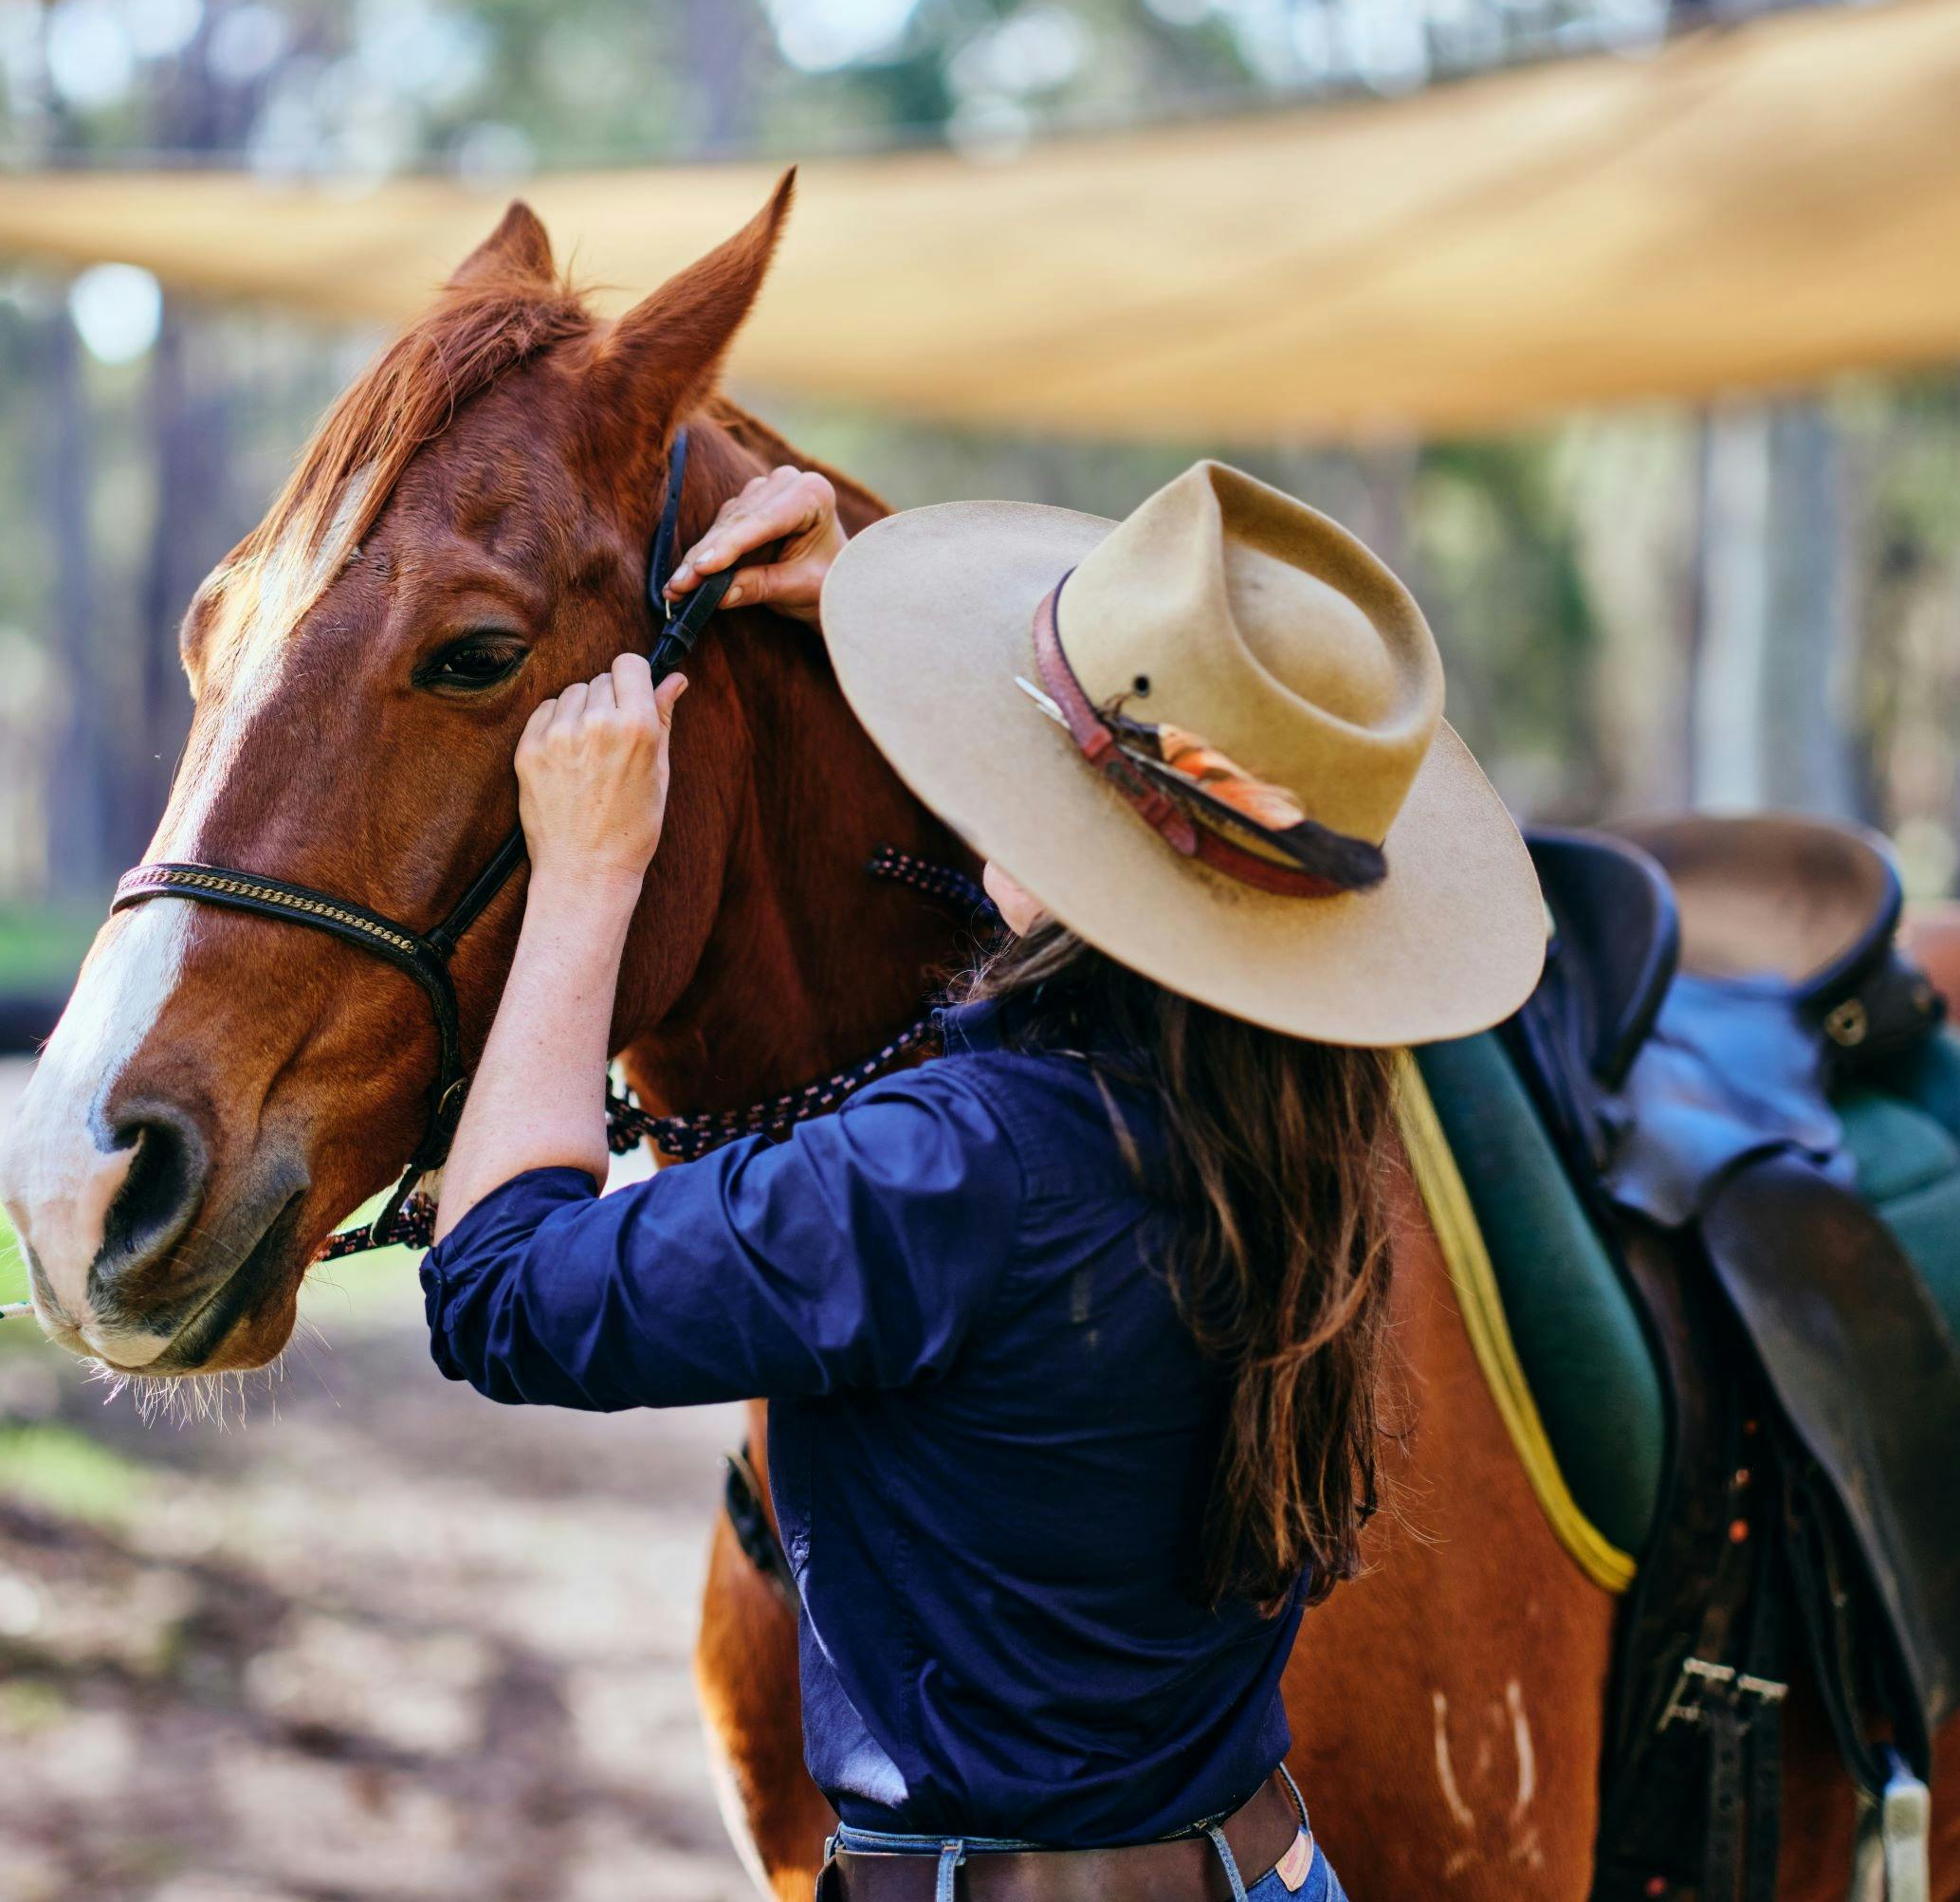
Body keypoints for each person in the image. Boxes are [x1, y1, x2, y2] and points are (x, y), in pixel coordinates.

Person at [423, 459, 1548, 1901]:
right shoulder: (1299, 1123)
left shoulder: (952, 1169)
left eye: (1027, 734)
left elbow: (500, 1289)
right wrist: (864, 611)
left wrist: (588, 870)